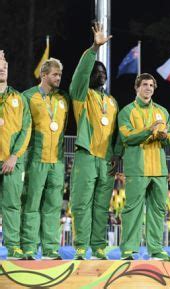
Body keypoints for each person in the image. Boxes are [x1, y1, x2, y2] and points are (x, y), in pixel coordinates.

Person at [69, 23, 121, 260]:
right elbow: (80, 75)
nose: (100, 74)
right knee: (82, 203)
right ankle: (81, 247)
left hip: (106, 160)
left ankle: (99, 247)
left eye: (103, 72)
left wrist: (117, 155)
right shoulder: (82, 95)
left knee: (102, 206)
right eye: (96, 71)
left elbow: (118, 133)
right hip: (87, 155)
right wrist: (94, 49)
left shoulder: (111, 102)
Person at [118, 73, 170, 260]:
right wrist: (149, 130)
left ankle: (156, 249)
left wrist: (165, 136)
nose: (148, 88)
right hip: (137, 169)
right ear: (137, 88)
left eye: (151, 85)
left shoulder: (163, 112)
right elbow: (127, 137)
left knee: (158, 211)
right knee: (132, 210)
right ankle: (128, 249)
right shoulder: (127, 112)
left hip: (159, 170)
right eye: (144, 84)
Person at [21, 58, 69, 260]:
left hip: (57, 162)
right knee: (31, 205)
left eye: (60, 75)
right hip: (35, 159)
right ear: (44, 75)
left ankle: (50, 250)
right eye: (55, 75)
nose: (58, 78)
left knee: (53, 206)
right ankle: (29, 249)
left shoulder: (62, 98)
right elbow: (21, 128)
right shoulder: (28, 96)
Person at [0, 50, 32, 259]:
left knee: (12, 205)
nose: (3, 68)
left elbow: (26, 129)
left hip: (11, 161)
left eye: (5, 65)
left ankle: (13, 247)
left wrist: (14, 156)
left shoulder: (18, 98)